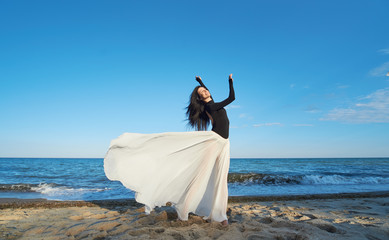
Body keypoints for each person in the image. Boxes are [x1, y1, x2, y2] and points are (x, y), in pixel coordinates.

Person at [104, 74, 235, 226]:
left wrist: (200, 82)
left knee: (219, 179)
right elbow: (232, 98)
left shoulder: (211, 101)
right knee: (200, 179)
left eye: (205, 90)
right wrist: (230, 81)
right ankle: (189, 212)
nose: (205, 91)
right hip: (214, 142)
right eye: (202, 92)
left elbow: (206, 92)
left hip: (225, 144)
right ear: (199, 98)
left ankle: (218, 214)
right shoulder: (211, 107)